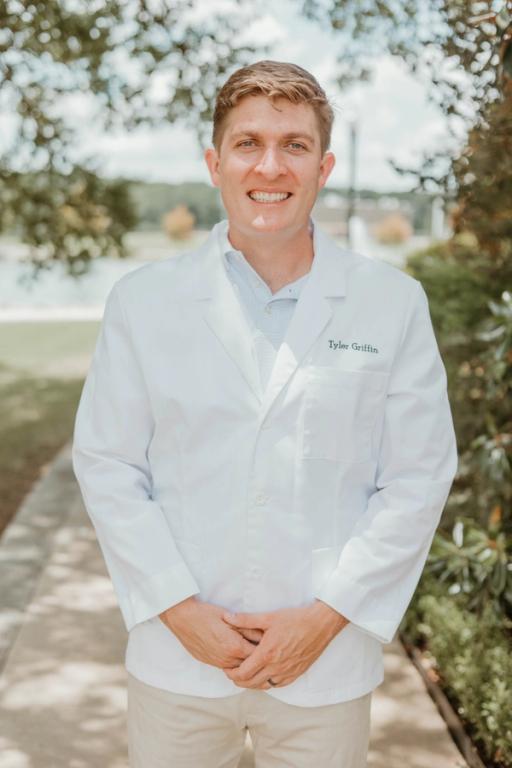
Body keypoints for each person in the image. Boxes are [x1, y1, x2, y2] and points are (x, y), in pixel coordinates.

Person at [72, 60, 458, 768]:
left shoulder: (392, 303)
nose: (270, 165)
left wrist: (325, 618)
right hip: (177, 662)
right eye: (248, 143)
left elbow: (418, 476)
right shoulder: (142, 301)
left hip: (326, 664)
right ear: (215, 163)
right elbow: (107, 462)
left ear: (324, 165)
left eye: (295, 145)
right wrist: (180, 612)